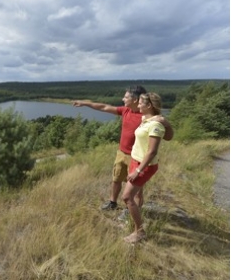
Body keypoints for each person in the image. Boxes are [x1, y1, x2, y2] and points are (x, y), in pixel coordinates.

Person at [72, 86, 173, 211]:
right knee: (116, 179)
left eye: (126, 97)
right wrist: (84, 103)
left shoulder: (149, 118)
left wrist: (166, 123)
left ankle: (135, 211)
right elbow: (104, 107)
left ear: (135, 99)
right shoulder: (126, 111)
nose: (123, 99)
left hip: (137, 157)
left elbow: (167, 137)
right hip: (121, 153)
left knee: (137, 189)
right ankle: (112, 203)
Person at [122, 92, 165, 243]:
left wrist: (138, 171)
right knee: (137, 194)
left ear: (149, 106)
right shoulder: (146, 119)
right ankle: (135, 217)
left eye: (140, 103)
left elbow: (152, 151)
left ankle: (139, 231)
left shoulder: (155, 125)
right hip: (136, 160)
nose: (138, 105)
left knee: (127, 197)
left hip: (144, 166)